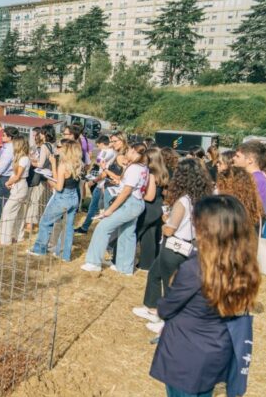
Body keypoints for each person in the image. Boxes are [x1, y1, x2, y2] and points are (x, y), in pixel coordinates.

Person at [150, 195, 260, 397]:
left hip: (185, 356)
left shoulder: (195, 269)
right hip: (215, 351)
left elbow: (166, 308)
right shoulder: (243, 266)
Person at [135, 158, 214, 331]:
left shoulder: (183, 201)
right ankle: (151, 307)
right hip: (190, 246)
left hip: (174, 247)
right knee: (154, 273)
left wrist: (165, 222)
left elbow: (170, 230)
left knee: (169, 285)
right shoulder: (205, 198)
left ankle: (167, 321)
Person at [81, 142, 149, 275]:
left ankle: (94, 262)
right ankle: (125, 267)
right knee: (128, 233)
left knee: (103, 227)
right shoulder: (143, 167)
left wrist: (110, 210)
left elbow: (126, 191)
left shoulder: (134, 168)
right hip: (138, 202)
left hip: (129, 203)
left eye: (129, 150)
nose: (127, 152)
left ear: (134, 152)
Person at [28, 139, 83, 260]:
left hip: (62, 198)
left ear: (66, 150)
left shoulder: (63, 165)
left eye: (58, 147)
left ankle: (39, 249)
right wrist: (53, 164)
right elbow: (60, 178)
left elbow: (58, 187)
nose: (56, 149)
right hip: (74, 198)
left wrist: (49, 180)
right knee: (68, 227)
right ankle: (64, 255)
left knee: (45, 222)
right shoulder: (78, 163)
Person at [135, 147, 170, 271]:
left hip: (149, 209)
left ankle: (120, 258)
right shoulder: (163, 173)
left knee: (135, 233)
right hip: (158, 208)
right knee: (149, 237)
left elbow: (149, 197)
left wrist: (136, 194)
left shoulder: (150, 173)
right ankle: (147, 264)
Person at [76, 134, 116, 234]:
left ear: (102, 144)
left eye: (98, 145)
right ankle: (88, 227)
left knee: (97, 207)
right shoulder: (112, 152)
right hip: (102, 183)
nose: (98, 148)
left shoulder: (107, 152)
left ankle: (88, 228)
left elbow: (103, 170)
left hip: (102, 184)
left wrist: (94, 181)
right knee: (99, 207)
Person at [0, 136, 31, 245]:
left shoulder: (23, 159)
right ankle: (19, 236)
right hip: (18, 186)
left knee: (8, 211)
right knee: (19, 213)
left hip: (19, 186)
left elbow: (18, 176)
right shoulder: (20, 158)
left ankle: (5, 240)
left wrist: (8, 182)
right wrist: (11, 182)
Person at [25, 126, 55, 234]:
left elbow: (40, 164)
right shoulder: (53, 145)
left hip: (40, 176)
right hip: (49, 176)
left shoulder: (44, 146)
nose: (38, 135)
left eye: (41, 133)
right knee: (42, 201)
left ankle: (30, 224)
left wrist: (29, 161)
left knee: (34, 200)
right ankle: (37, 222)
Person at [232, 141, 266, 206]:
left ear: (250, 160)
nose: (233, 158)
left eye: (238, 156)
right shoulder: (253, 176)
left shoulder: (256, 179)